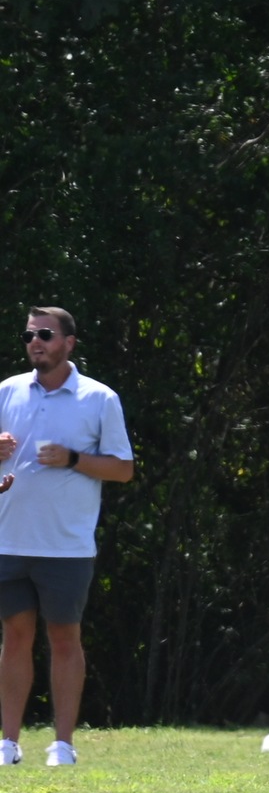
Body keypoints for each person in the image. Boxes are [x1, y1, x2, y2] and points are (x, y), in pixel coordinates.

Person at [0, 308, 136, 767]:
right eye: (29, 335)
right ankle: (9, 743)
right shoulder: (7, 391)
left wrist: (73, 459)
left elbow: (123, 469)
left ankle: (63, 745)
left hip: (66, 546)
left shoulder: (99, 399)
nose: (34, 342)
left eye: (44, 334)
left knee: (64, 639)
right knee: (14, 639)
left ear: (69, 343)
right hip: (9, 541)